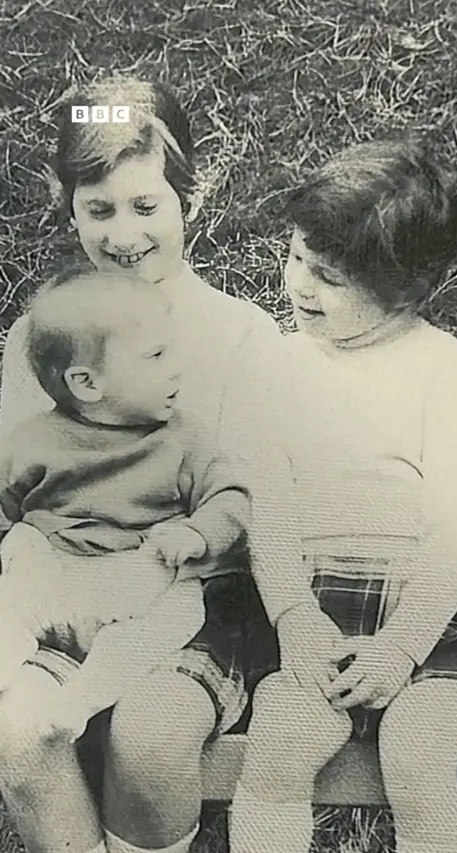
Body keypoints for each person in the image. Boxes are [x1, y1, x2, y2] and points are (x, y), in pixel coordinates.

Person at [0, 73, 312, 853]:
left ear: (188, 198)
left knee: (148, 732)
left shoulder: (240, 338)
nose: (124, 233)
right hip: (70, 584)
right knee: (19, 732)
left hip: (199, 597)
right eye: (99, 209)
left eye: (147, 206)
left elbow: (255, 507)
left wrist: (168, 555)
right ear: (64, 200)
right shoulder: (43, 337)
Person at [230, 138, 457, 853]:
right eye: (298, 259)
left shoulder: (440, 367)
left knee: (419, 754)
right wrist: (292, 613)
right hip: (314, 608)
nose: (300, 287)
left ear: (405, 291)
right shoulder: (281, 364)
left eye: (330, 278)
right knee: (280, 743)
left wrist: (403, 644)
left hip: (431, 615)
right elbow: (269, 507)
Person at [0, 269, 254, 742]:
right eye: (156, 356)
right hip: (54, 583)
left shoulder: (184, 438)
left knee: (182, 611)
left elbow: (231, 495)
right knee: (19, 551)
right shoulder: (31, 441)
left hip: (139, 587)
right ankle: (8, 650)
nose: (178, 367)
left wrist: (198, 534)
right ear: (87, 383)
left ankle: (84, 698)